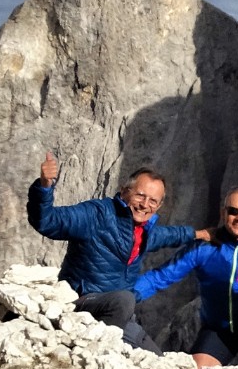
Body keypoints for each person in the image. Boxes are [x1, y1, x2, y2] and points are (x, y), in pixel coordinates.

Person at [28, 151, 207, 352]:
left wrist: (200, 234)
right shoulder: (97, 214)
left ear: (158, 206)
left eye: (152, 201)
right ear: (124, 191)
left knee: (157, 361)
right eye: (140, 195)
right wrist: (44, 187)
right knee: (124, 299)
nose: (145, 205)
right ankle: (99, 354)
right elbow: (47, 221)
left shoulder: (143, 232)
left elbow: (168, 235)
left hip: (118, 314)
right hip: (81, 304)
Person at [133, 185, 238, 369]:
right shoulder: (204, 247)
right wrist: (126, 295)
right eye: (233, 211)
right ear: (223, 213)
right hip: (220, 329)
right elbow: (161, 277)